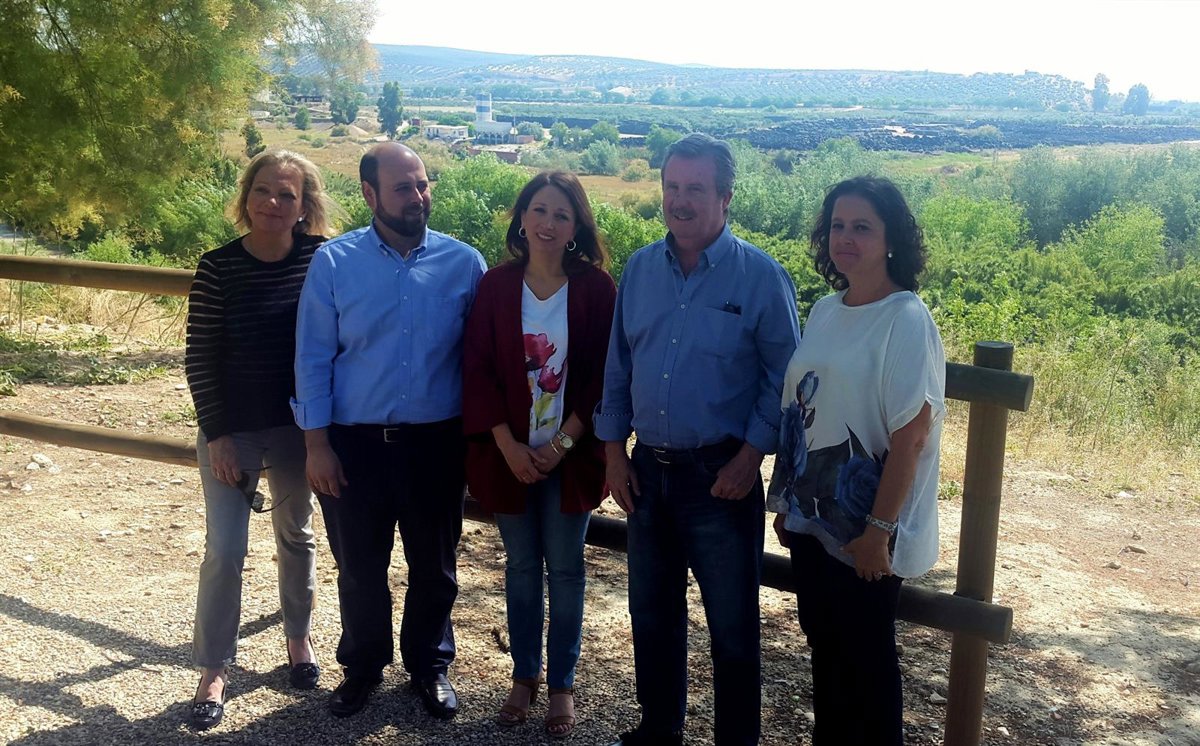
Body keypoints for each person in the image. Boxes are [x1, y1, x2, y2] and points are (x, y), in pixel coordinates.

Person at [596, 133, 801, 746]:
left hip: (720, 478)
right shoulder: (639, 269)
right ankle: (659, 730)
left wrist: (750, 456)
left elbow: (785, 381)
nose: (679, 201)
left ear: (725, 197)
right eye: (671, 187)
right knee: (651, 616)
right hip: (646, 473)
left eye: (695, 189)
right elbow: (618, 366)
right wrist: (613, 453)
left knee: (732, 629)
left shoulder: (761, 277)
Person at [291, 142, 486, 720]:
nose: (417, 196)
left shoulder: (463, 263)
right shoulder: (334, 263)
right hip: (353, 446)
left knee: (435, 568)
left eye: (422, 184)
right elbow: (312, 357)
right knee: (358, 569)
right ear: (370, 194)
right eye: (403, 188)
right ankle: (363, 667)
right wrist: (316, 445)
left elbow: (482, 362)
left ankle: (429, 665)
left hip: (437, 444)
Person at [768, 176, 946, 745]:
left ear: (891, 239)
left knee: (867, 667)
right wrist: (789, 503)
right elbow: (802, 408)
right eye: (837, 226)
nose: (845, 238)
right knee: (827, 655)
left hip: (868, 528)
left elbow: (911, 435)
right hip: (816, 520)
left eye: (862, 227)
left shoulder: (905, 318)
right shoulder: (825, 309)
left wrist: (878, 531)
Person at [185, 149, 336, 730]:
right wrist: (219, 436)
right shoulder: (218, 267)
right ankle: (213, 668)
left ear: (305, 206)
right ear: (246, 197)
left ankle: (299, 639)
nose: (273, 202)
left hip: (301, 429)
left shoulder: (321, 260)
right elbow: (200, 357)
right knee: (226, 549)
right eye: (263, 191)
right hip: (233, 430)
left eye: (287, 194)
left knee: (296, 534)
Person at [463, 171, 616, 739]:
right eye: (539, 210)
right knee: (522, 568)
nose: (548, 223)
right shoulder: (496, 285)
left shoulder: (597, 289)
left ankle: (562, 686)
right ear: (522, 217)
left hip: (572, 459)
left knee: (568, 571)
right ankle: (524, 676)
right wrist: (508, 447)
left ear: (577, 227)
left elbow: (603, 376)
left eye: (561, 214)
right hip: (508, 458)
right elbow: (475, 369)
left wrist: (562, 444)